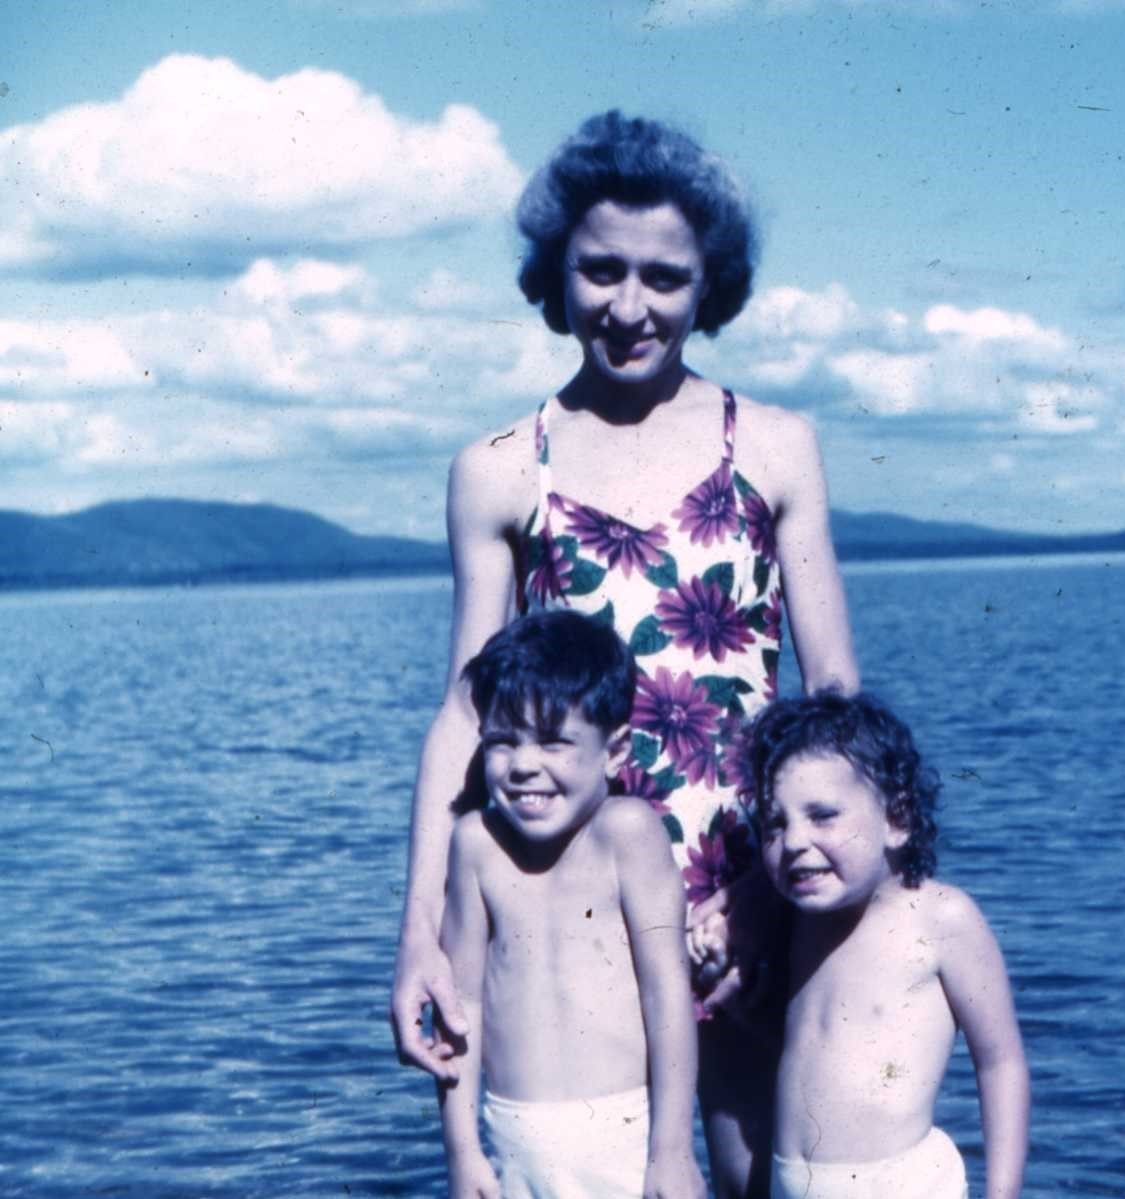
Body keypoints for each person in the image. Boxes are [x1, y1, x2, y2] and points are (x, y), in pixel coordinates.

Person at [391, 110, 859, 1198]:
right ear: (556, 275)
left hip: (754, 894)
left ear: (712, 284)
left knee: (759, 1179)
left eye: (664, 275)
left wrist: (771, 893)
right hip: (572, 905)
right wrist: (420, 932)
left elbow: (833, 696)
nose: (630, 304)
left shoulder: (776, 446)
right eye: (600, 270)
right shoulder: (502, 469)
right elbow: (467, 716)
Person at [437, 611, 705, 1199]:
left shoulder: (627, 834)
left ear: (614, 752)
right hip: (511, 1142)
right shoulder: (476, 845)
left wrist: (673, 1151)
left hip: (626, 1144)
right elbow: (463, 1004)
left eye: (554, 741)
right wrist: (462, 1151)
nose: (524, 764)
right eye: (502, 741)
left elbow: (667, 992)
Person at [742, 693, 1030, 1199]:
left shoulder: (941, 917)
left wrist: (1001, 1194)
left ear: (896, 820)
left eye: (823, 815)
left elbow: (1001, 1061)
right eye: (775, 823)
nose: (793, 841)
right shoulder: (798, 923)